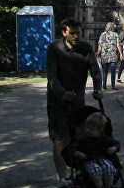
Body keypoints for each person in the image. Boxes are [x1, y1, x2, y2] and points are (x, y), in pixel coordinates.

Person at [46, 17, 103, 188]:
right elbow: (52, 77)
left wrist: (98, 88)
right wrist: (63, 94)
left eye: (78, 33)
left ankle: (79, 171)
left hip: (78, 102)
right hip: (57, 102)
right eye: (72, 33)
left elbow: (96, 71)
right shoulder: (54, 48)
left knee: (79, 137)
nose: (76, 36)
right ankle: (62, 178)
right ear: (64, 33)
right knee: (59, 138)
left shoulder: (86, 49)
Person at [63, 111, 120, 188]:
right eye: (86, 127)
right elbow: (70, 148)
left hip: (103, 158)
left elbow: (117, 143)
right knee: (96, 169)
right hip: (88, 160)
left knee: (108, 167)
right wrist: (78, 153)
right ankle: (99, 186)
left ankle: (109, 185)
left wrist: (114, 148)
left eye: (91, 129)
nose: (88, 130)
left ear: (100, 130)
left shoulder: (104, 139)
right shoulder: (82, 140)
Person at [97, 22, 122, 91]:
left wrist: (98, 53)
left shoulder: (102, 35)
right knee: (113, 71)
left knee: (105, 71)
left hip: (104, 56)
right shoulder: (115, 34)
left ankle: (104, 85)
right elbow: (118, 45)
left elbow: (100, 45)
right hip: (113, 56)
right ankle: (113, 85)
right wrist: (121, 54)